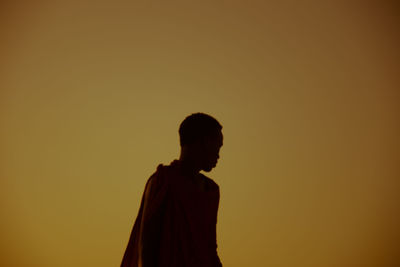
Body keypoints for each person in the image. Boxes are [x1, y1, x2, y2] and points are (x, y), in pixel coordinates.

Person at [121, 112, 224, 267]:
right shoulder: (162, 181)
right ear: (202, 142)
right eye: (217, 145)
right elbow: (147, 245)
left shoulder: (211, 191)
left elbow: (209, 248)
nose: (218, 155)